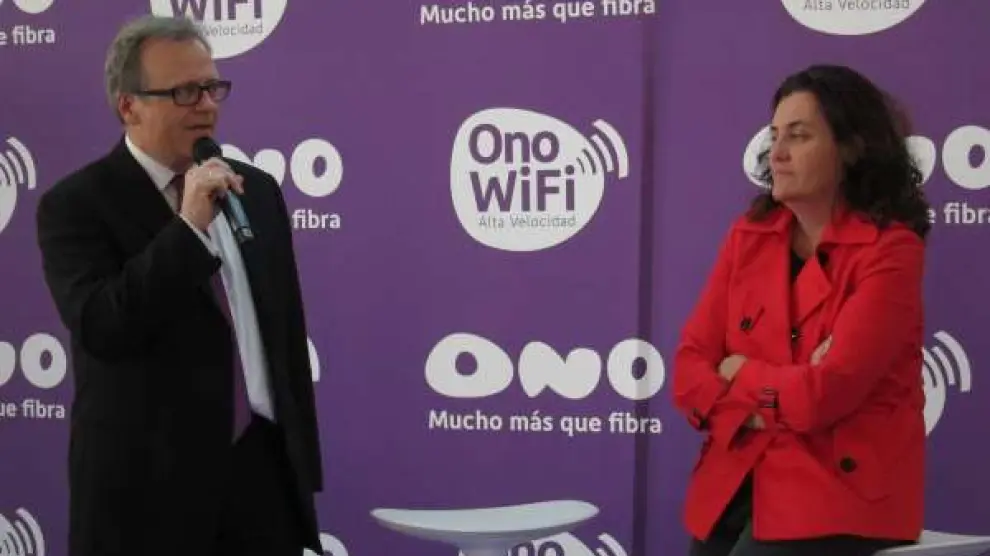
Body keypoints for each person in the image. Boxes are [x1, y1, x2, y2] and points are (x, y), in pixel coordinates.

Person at [35, 15, 323, 556]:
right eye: (185, 92)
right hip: (146, 494)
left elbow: (284, 333)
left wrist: (299, 470)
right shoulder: (75, 205)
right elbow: (103, 326)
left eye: (213, 87)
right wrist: (188, 228)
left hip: (260, 478)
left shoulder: (256, 190)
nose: (207, 105)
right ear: (129, 106)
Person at [672, 64, 931, 556]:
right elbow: (689, 371)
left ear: (851, 148)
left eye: (799, 135)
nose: (778, 153)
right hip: (739, 477)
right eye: (775, 136)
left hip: (841, 493)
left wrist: (739, 370)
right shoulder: (748, 237)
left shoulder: (891, 251)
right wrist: (774, 400)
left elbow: (823, 395)